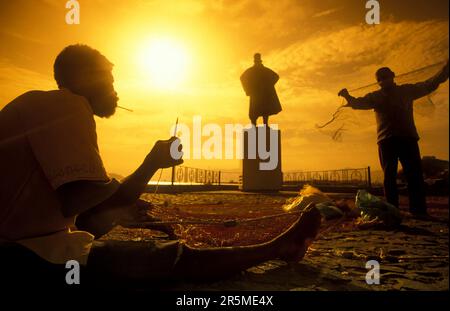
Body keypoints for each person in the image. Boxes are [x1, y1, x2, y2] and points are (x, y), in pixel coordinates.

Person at [0, 44, 321, 287]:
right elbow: (77, 198)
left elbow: (87, 201)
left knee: (101, 224)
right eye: (109, 80)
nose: (115, 90)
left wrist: (124, 205)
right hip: (17, 251)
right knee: (152, 257)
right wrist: (152, 163)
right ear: (86, 78)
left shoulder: (42, 106)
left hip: (25, 235)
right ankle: (277, 248)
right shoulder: (66, 104)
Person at [338, 61, 449, 218]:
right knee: (389, 177)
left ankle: (418, 211)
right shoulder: (375, 96)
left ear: (392, 76)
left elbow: (429, 84)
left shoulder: (407, 90)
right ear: (378, 81)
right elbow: (359, 103)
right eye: (380, 78)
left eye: (386, 76)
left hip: (407, 138)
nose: (383, 80)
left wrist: (445, 70)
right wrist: (347, 96)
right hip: (386, 140)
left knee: (414, 176)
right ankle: (392, 211)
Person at [240, 53, 282, 126]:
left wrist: (269, 86)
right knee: (254, 111)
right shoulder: (251, 71)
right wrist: (248, 89)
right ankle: (254, 125)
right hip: (255, 94)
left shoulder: (265, 70)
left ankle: (265, 124)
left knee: (265, 111)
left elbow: (276, 76)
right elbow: (242, 78)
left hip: (264, 94)